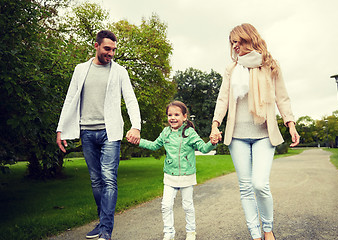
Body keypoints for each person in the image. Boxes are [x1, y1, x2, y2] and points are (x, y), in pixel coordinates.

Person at [210, 23, 300, 240]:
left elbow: (282, 97)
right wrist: (215, 123)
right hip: (237, 136)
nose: (235, 46)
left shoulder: (270, 65)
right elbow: (223, 98)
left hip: (263, 134)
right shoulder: (232, 69)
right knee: (245, 188)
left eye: (238, 41)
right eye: (232, 43)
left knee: (260, 184)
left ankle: (268, 228)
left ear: (249, 39)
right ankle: (255, 234)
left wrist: (290, 123)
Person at [56, 30, 141, 240]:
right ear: (96, 46)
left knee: (109, 180)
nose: (111, 53)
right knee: (96, 181)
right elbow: (70, 99)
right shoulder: (80, 69)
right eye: (107, 49)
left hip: (110, 133)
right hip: (86, 132)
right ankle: (102, 221)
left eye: (113, 50)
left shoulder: (120, 72)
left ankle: (105, 231)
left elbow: (130, 99)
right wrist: (61, 129)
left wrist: (136, 126)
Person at [133, 101, 216, 240]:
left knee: (187, 206)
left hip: (186, 175)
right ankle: (169, 233)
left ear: (184, 117)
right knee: (166, 205)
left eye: (176, 114)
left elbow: (203, 148)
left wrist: (212, 143)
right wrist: (138, 141)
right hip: (169, 175)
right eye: (170, 115)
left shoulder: (190, 133)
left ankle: (191, 232)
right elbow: (154, 145)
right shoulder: (166, 132)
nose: (172, 117)